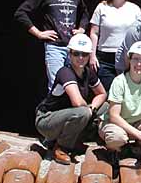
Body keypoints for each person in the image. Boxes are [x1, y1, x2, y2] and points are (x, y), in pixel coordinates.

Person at [14, 0, 89, 91]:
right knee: (57, 86)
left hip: (73, 50)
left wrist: (81, 30)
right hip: (54, 48)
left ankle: (73, 113)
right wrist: (38, 33)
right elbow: (21, 13)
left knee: (75, 86)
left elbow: (85, 14)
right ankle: (54, 113)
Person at [35, 34, 108, 165]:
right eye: (76, 54)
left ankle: (74, 141)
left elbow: (102, 94)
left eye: (85, 54)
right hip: (46, 119)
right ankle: (62, 147)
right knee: (83, 112)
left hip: (70, 115)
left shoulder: (88, 73)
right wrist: (89, 111)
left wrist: (93, 107)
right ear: (70, 54)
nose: (80, 58)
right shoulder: (65, 72)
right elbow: (77, 102)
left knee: (105, 107)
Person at [89, 0, 141, 92]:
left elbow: (140, 34)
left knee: (127, 93)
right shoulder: (101, 8)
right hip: (105, 58)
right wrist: (92, 56)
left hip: (127, 57)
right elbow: (94, 33)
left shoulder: (134, 9)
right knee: (109, 93)